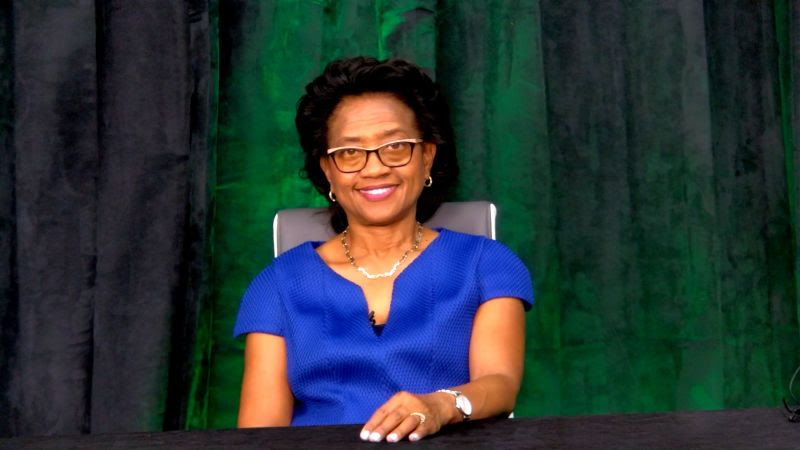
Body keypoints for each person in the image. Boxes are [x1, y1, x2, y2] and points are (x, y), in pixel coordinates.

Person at [233, 56, 533, 442]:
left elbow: (500, 383)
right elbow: (260, 435)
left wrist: (439, 406)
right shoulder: (276, 285)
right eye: (349, 152)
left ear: (427, 156)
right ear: (327, 170)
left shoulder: (487, 264)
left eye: (395, 147)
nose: (374, 168)